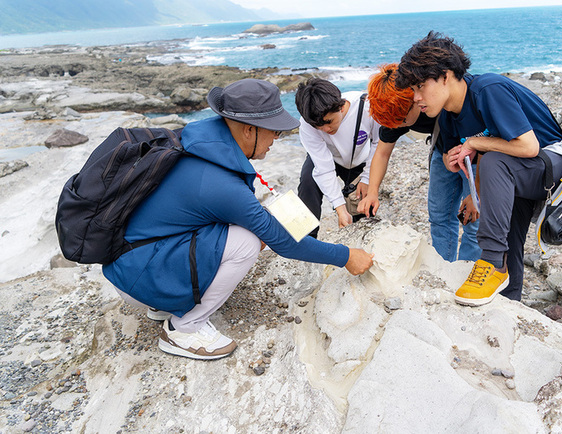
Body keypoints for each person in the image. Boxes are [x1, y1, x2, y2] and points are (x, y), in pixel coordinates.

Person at [102, 79, 374, 360]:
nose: (277, 139)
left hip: (132, 260)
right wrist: (346, 256)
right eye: (273, 131)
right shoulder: (218, 181)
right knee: (247, 241)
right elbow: (282, 243)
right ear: (248, 129)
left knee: (244, 229)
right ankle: (184, 327)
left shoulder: (201, 140)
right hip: (138, 273)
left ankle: (164, 302)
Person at [395, 32, 562, 306]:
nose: (415, 98)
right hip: (520, 173)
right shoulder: (449, 117)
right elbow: (471, 160)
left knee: (493, 162)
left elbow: (528, 147)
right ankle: (509, 305)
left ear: (446, 75)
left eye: (419, 86)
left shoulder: (488, 90)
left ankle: (490, 263)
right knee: (509, 237)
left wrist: (475, 142)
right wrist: (462, 176)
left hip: (556, 167)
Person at [359, 63, 480, 262]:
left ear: (416, 100)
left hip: (474, 156)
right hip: (442, 150)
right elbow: (381, 153)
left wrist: (477, 188)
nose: (397, 126)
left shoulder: (441, 97)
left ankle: (469, 271)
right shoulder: (395, 112)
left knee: (474, 220)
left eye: (402, 121)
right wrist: (372, 192)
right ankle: (444, 269)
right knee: (439, 216)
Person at [295, 78, 380, 238]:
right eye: (318, 127)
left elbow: (378, 144)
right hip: (328, 157)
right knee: (307, 182)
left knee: (363, 210)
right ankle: (306, 239)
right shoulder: (307, 123)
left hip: (359, 158)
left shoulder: (367, 106)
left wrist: (367, 178)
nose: (325, 129)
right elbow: (323, 167)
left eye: (329, 122)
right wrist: (340, 208)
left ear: (341, 106)